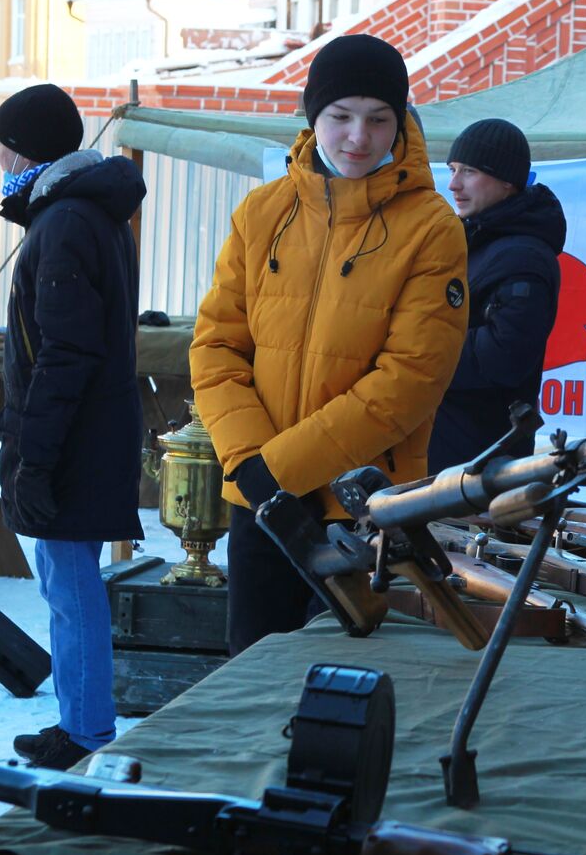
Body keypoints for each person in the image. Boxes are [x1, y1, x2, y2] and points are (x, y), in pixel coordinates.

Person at [191, 35, 469, 656]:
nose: (357, 138)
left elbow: (411, 379)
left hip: (364, 507)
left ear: (400, 123)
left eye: (378, 120)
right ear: (313, 116)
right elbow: (216, 348)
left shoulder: (432, 227)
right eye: (339, 117)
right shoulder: (261, 213)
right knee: (252, 676)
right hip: (258, 502)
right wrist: (251, 464)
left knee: (343, 688)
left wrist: (279, 469)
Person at [0, 84, 147, 769]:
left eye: (0, 142)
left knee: (70, 585)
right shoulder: (84, 214)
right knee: (68, 580)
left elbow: (64, 353)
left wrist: (36, 456)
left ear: (22, 148)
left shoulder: (63, 222)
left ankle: (85, 729)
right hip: (88, 431)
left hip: (75, 439)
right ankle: (80, 719)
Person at [428, 118, 566, 472]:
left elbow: (505, 356)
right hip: (449, 449)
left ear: (508, 182)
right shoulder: (475, 240)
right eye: (452, 169)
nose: (453, 184)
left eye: (469, 171)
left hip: (479, 461)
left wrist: (416, 350)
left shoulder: (524, 256)